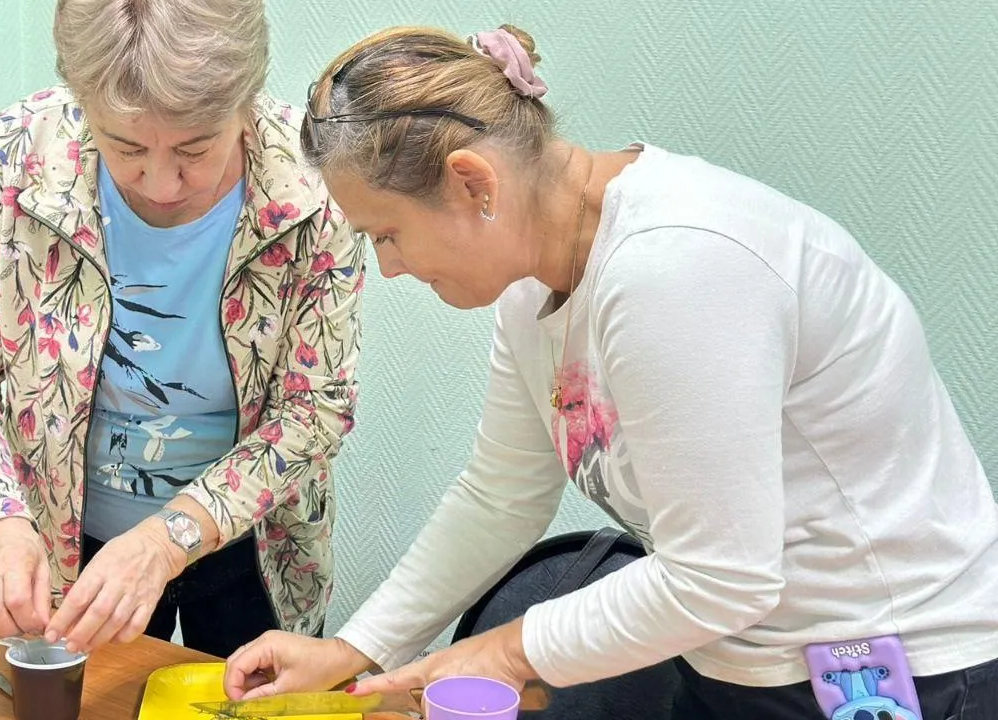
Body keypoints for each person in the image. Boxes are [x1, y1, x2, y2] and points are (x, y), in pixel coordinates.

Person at [222, 25, 998, 719]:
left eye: (386, 234)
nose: (388, 268)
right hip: (741, 660)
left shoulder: (678, 267)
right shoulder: (534, 286)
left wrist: (505, 650)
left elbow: (722, 575)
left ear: (473, 184)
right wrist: (359, 646)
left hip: (898, 672)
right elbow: (500, 496)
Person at [0, 0, 364, 659]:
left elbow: (315, 411)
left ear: (247, 102)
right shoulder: (6, 166)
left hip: (250, 551)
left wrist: (166, 539)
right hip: (70, 554)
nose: (160, 182)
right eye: (124, 146)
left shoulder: (311, 192)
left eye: (194, 148)